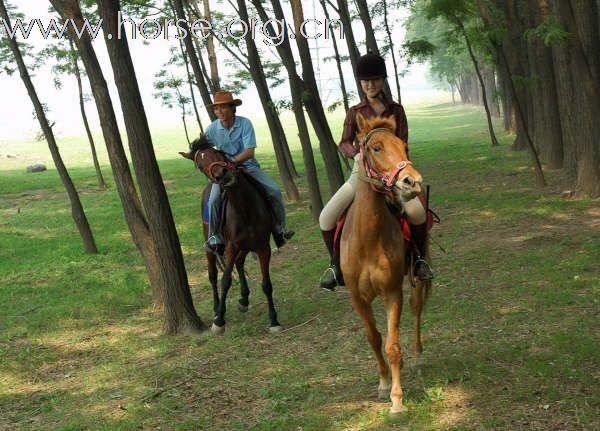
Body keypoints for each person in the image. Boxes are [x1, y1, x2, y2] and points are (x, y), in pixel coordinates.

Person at [318, 53, 433, 291]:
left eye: (375, 80)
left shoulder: (396, 110)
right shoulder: (354, 112)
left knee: (417, 212)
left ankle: (419, 261)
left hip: (391, 175)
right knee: (326, 218)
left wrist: (397, 169)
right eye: (365, 81)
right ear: (360, 84)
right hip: (361, 175)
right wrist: (355, 155)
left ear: (382, 80)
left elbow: (402, 143)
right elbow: (344, 142)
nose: (370, 85)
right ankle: (335, 266)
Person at [202, 91, 294, 255]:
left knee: (274, 191)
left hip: (248, 167)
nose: (220, 112)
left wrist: (232, 163)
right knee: (213, 200)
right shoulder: (211, 130)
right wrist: (212, 164)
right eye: (216, 109)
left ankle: (280, 230)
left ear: (232, 108)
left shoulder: (245, 124)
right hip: (223, 173)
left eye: (223, 107)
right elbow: (204, 150)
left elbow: (249, 151)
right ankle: (215, 238)